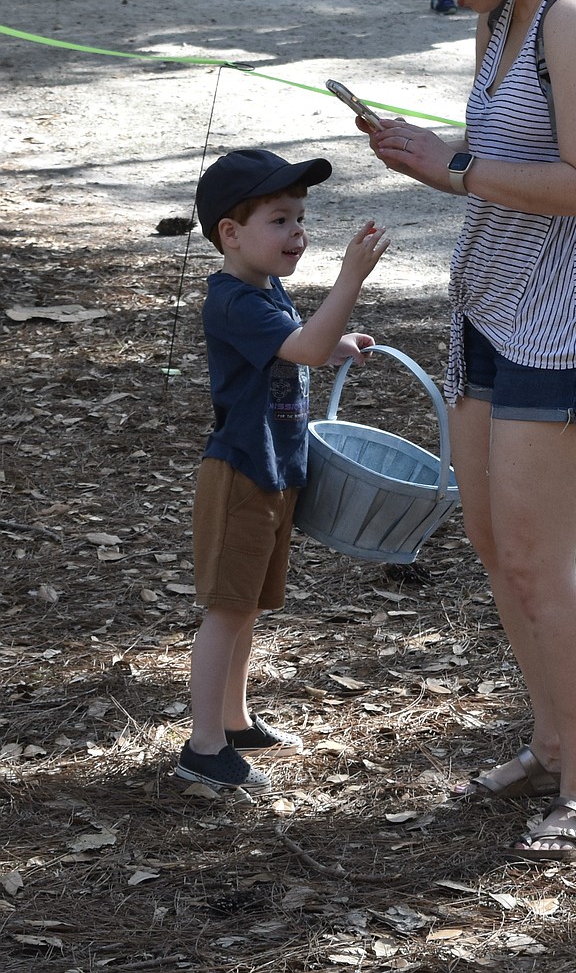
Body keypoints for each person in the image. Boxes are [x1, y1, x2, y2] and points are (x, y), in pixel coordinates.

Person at [361, 0, 576, 861]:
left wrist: (456, 167)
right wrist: (427, 158)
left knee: (535, 559)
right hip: (490, 304)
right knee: (493, 545)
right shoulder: (500, 17)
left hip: (568, 322)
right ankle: (549, 742)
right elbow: (497, 165)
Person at [176, 148, 389, 792]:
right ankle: (203, 746)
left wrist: (336, 344)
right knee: (226, 609)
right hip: (241, 474)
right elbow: (303, 346)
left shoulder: (265, 289)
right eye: (279, 220)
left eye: (300, 219)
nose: (297, 232)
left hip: (274, 471)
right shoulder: (232, 301)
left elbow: (296, 348)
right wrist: (349, 281)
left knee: (247, 607)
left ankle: (234, 720)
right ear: (230, 233)